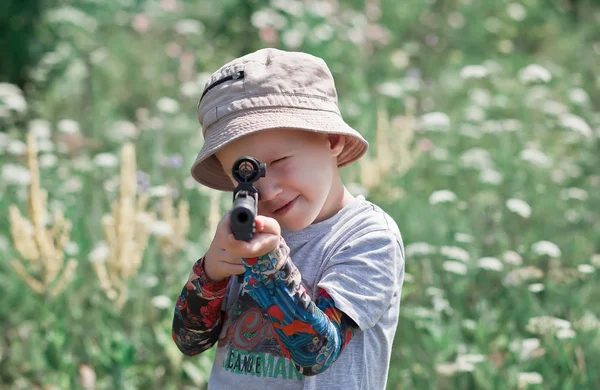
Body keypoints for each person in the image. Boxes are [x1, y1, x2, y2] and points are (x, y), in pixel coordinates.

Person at [172, 48, 405, 390]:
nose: (265, 190)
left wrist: (268, 267)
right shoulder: (246, 230)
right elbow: (189, 342)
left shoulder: (367, 237)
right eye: (243, 177)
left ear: (332, 140)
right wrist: (210, 275)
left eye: (279, 160)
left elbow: (315, 353)